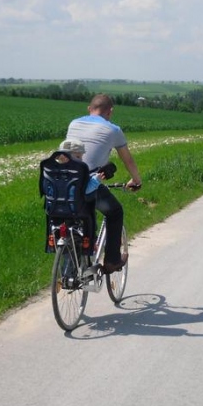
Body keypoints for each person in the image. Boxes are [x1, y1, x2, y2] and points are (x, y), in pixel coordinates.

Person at [66, 94, 141, 273]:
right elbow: (127, 160)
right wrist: (136, 180)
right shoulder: (113, 130)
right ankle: (112, 261)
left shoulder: (73, 123)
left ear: (89, 109)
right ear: (110, 112)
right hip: (88, 183)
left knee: (73, 220)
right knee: (115, 212)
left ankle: (69, 269)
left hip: (66, 182)